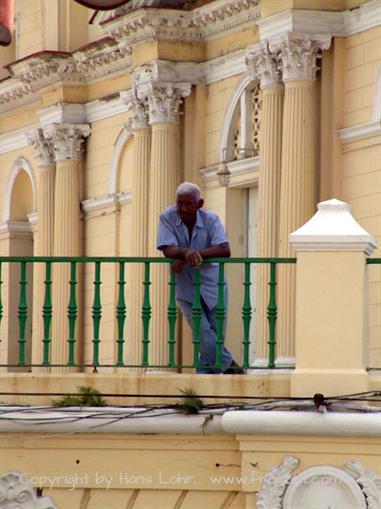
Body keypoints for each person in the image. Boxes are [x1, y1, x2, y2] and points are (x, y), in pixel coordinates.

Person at [157, 181, 244, 374]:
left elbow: (225, 249)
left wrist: (190, 255)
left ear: (200, 204)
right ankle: (231, 367)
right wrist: (182, 252)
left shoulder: (211, 219)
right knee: (203, 334)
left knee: (214, 337)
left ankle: (204, 381)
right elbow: (166, 248)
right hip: (186, 287)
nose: (183, 209)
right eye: (180, 203)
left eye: (188, 204)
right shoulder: (167, 216)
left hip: (214, 285)